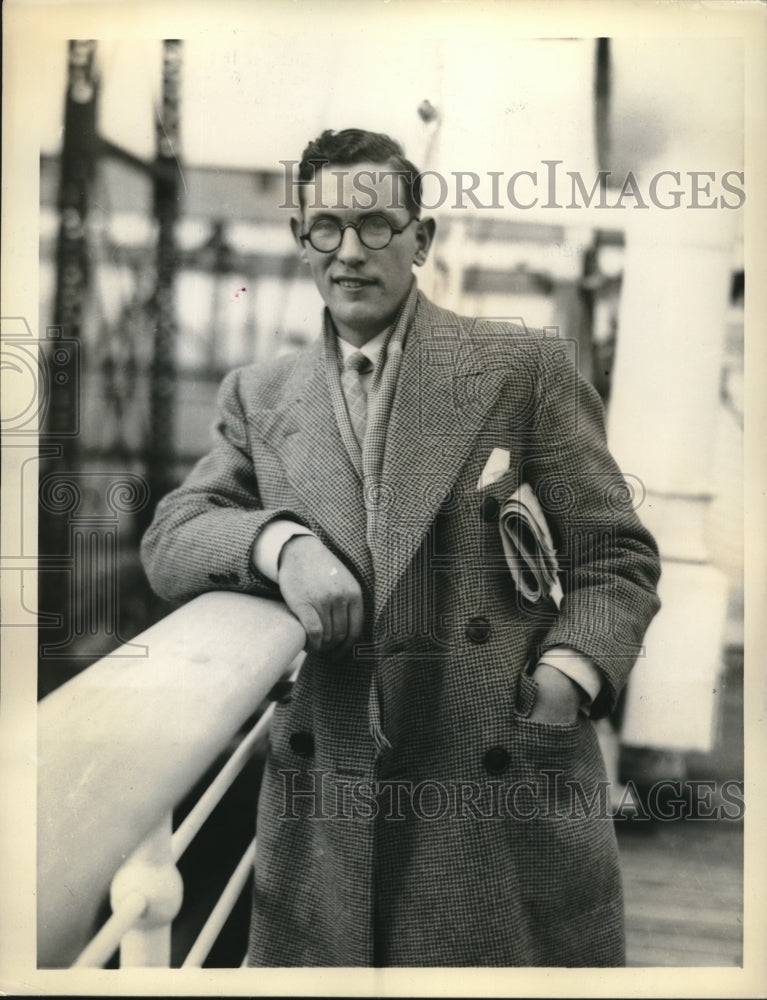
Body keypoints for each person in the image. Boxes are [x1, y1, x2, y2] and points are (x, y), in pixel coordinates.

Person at [141, 128, 661, 967]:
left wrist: (566, 679)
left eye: (376, 224)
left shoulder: (517, 367)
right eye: (325, 229)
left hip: (489, 778)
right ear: (301, 237)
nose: (349, 252)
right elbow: (172, 534)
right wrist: (280, 545)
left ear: (422, 238)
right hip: (332, 789)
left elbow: (614, 558)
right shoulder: (262, 395)